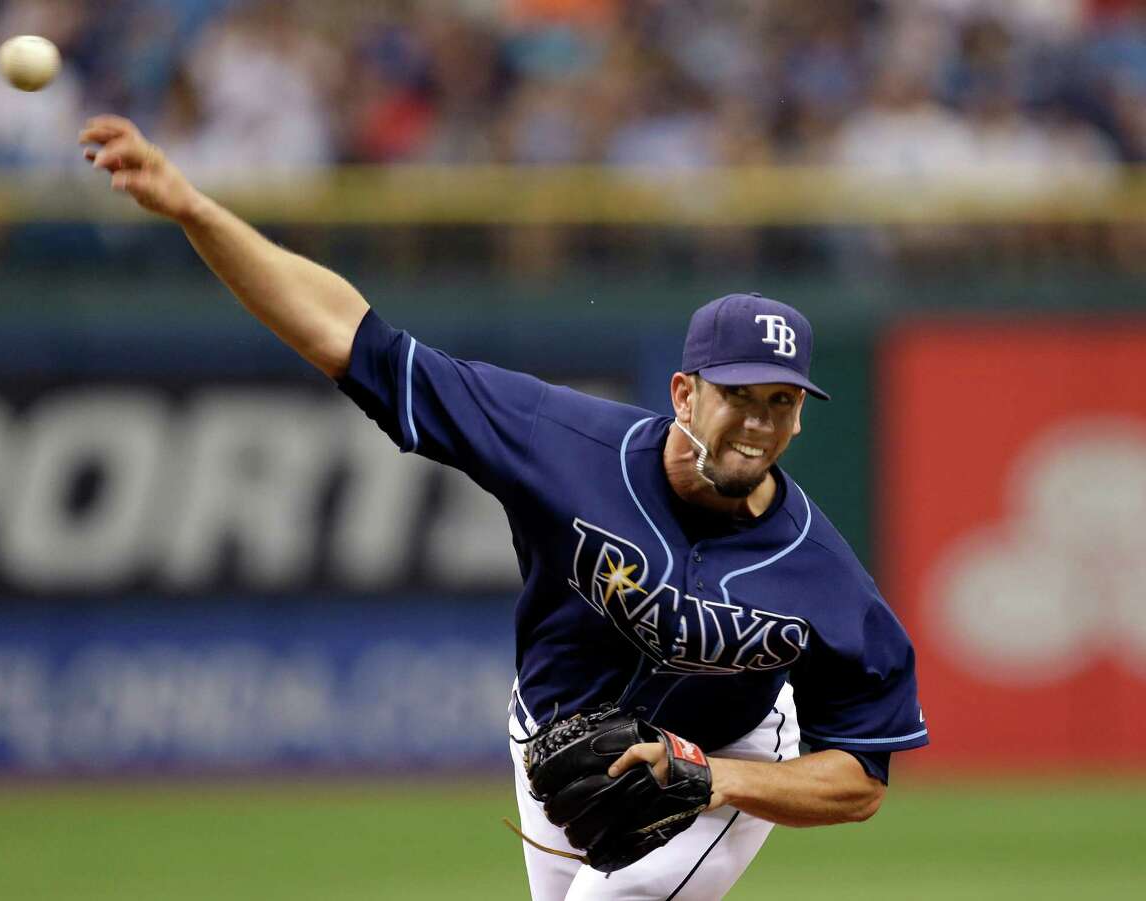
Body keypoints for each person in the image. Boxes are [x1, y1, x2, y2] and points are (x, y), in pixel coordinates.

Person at [81, 115, 928, 900]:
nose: (759, 423)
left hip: (728, 757)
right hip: (554, 738)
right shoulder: (562, 443)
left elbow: (858, 780)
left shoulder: (822, 579)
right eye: (739, 395)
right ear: (683, 392)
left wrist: (711, 775)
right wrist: (193, 208)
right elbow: (348, 336)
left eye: (782, 402)